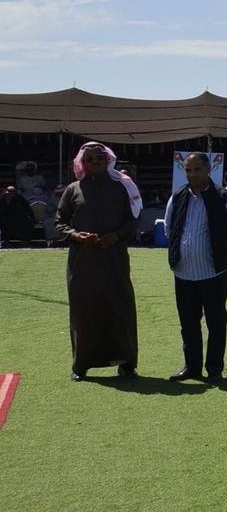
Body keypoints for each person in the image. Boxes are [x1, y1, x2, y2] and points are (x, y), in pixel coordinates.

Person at [55, 142, 142, 380]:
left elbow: (134, 220)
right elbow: (60, 222)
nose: (94, 162)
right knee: (84, 310)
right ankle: (80, 365)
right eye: (89, 159)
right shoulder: (73, 189)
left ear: (107, 160)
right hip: (82, 260)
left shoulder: (122, 187)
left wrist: (115, 236)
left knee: (120, 307)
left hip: (114, 258)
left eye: (99, 158)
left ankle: (127, 363)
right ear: (82, 163)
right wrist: (76, 235)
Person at [165, 151, 227, 384]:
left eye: (197, 169)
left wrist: (220, 247)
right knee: (188, 325)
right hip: (183, 273)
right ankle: (191, 367)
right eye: (188, 170)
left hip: (214, 273)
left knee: (216, 324)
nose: (192, 174)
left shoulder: (225, 198)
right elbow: (169, 229)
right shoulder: (177, 197)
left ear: (209, 169)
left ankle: (214, 370)